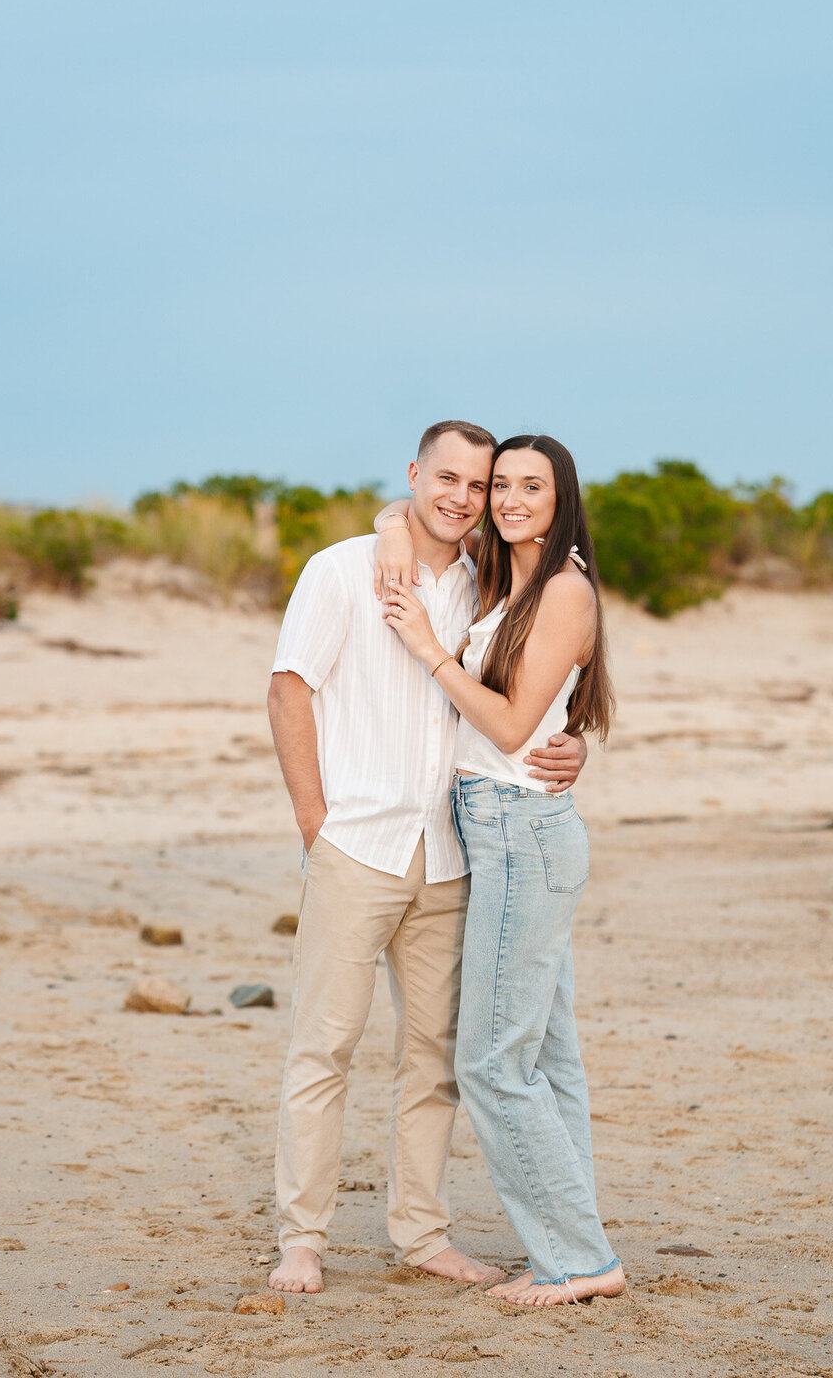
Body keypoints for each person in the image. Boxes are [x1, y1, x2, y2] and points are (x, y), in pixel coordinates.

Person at [265, 421, 588, 1295]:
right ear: (414, 473)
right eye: (446, 478)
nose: (463, 497)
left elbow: (529, 694)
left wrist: (571, 747)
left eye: (480, 487)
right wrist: (313, 822)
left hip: (451, 851)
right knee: (323, 1047)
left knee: (433, 1057)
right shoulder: (344, 569)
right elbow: (289, 687)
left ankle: (422, 1233)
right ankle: (303, 1237)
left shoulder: (491, 583)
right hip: (355, 846)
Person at [378, 433, 624, 1306]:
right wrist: (393, 533)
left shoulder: (561, 588)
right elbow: (393, 514)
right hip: (505, 828)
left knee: (490, 1060)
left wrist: (431, 653)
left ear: (563, 501)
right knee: (548, 1059)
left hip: (520, 831)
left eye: (532, 487)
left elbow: (515, 727)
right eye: (501, 485)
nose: (512, 500)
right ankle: (575, 1244)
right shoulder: (506, 571)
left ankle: (580, 1260)